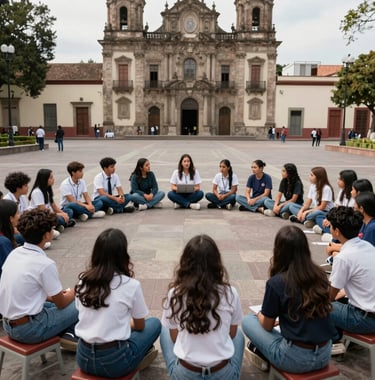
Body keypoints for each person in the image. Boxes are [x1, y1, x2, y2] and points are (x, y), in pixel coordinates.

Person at [242, 225, 334, 373]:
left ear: (279, 251)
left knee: (248, 321)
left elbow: (266, 325)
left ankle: (261, 351)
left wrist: (260, 315)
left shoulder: (277, 282)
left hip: (294, 359)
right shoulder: (320, 274)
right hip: (324, 354)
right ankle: (263, 352)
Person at [75, 228, 161, 377]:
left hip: (83, 357)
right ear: (123, 255)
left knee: (124, 331)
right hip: (114, 362)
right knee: (154, 324)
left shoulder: (83, 281)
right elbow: (140, 325)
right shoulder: (130, 285)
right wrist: (124, 324)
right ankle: (137, 358)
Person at [160, 234, 244, 379]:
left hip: (186, 373)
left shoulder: (175, 293)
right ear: (217, 264)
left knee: (164, 331)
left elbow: (174, 337)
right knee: (239, 338)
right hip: (222, 373)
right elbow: (232, 333)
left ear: (185, 263)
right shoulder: (230, 293)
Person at [0, 209, 78, 350]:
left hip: (8, 324)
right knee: (79, 304)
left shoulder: (15, 253)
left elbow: (30, 294)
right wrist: (76, 291)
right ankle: (69, 334)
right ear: (47, 235)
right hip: (30, 329)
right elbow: (61, 303)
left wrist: (57, 297)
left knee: (54, 304)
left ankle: (68, 333)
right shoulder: (44, 263)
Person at [327, 207, 375, 344]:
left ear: (336, 231)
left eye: (330, 226)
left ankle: (333, 339)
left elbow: (330, 296)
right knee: (340, 299)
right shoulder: (368, 246)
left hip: (363, 319)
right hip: (370, 312)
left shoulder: (343, 258)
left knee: (314, 305)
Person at [314, 169, 358, 236]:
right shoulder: (342, 191)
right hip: (338, 218)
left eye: (340, 179)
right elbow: (336, 208)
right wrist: (329, 219)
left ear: (347, 181)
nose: (338, 181)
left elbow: (350, 214)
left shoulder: (354, 195)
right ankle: (330, 232)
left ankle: (331, 234)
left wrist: (332, 221)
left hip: (346, 220)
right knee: (319, 217)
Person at [0, 200, 19, 278]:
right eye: (17, 213)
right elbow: (9, 272)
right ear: (11, 218)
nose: (19, 216)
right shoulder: (3, 242)